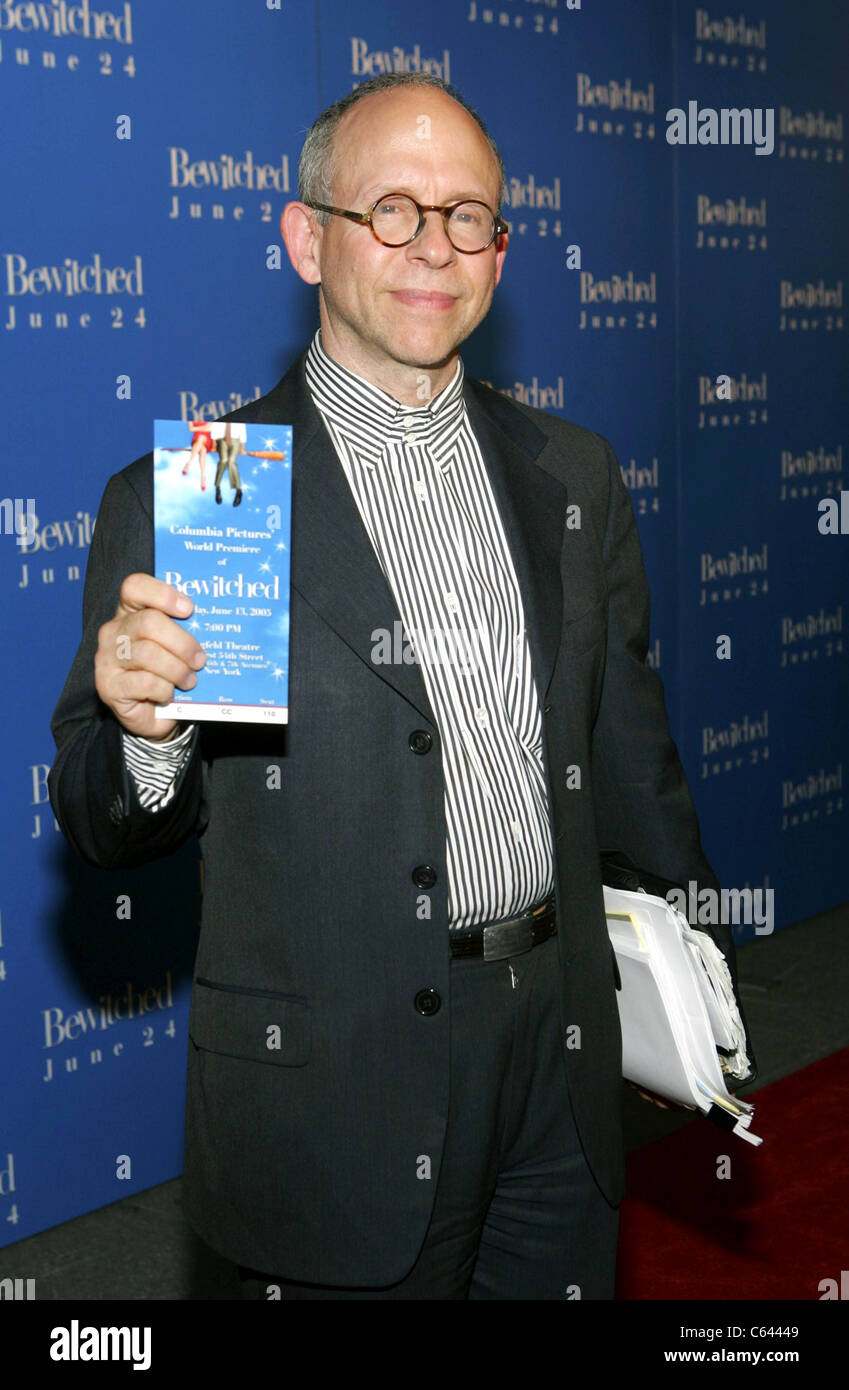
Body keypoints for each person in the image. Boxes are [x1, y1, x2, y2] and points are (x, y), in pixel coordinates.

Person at [48, 72, 753, 1300]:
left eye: (468, 214)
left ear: (501, 249)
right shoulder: (210, 498)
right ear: (306, 238)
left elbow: (628, 747)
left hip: (559, 1056)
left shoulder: (572, 473)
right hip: (332, 1089)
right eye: (393, 210)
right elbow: (106, 824)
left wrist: (694, 962)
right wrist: (146, 732)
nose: (436, 245)